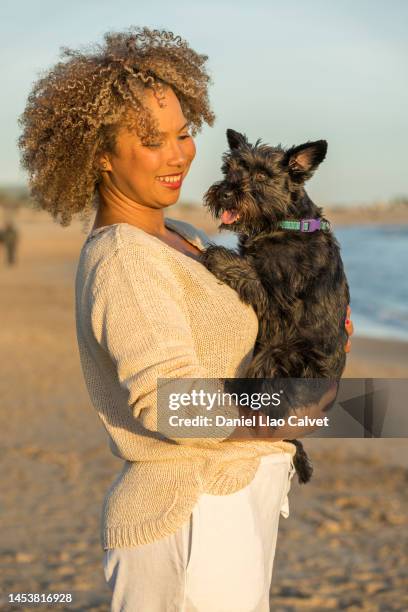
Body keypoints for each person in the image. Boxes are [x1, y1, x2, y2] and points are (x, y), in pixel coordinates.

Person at [18, 27, 353, 612]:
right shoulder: (123, 258)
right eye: (154, 141)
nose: (180, 156)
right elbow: (165, 403)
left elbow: (269, 326)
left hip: (236, 504)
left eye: (184, 133)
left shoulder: (190, 239)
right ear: (100, 155)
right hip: (186, 516)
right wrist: (316, 413)